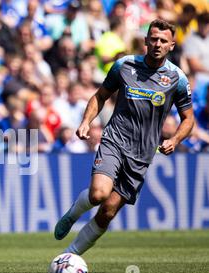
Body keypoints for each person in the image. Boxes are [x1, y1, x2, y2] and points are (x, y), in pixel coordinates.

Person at [53, 19, 195, 256]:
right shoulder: (125, 65)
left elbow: (188, 118)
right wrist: (86, 121)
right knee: (98, 194)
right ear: (146, 41)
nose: (157, 44)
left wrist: (175, 139)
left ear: (171, 45)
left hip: (142, 154)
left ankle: (69, 256)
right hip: (115, 140)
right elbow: (100, 96)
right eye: (154, 39)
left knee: (108, 211)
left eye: (163, 40)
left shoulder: (177, 78)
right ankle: (73, 214)